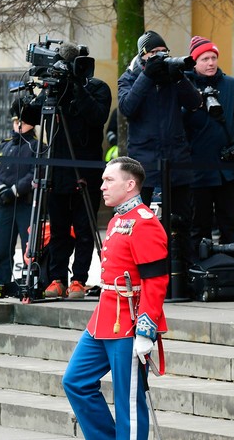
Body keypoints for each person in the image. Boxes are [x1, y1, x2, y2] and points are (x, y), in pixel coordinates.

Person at [62, 156, 169, 440]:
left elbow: (155, 281)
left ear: (130, 184)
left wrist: (146, 329)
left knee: (128, 400)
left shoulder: (145, 222)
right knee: (75, 381)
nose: (102, 186)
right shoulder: (118, 219)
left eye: (109, 180)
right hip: (105, 317)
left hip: (130, 320)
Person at [25, 43, 112, 299]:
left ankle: (79, 281)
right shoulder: (55, 89)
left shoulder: (96, 87)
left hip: (86, 168)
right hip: (56, 169)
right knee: (60, 230)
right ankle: (57, 279)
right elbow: (31, 116)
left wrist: (75, 86)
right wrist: (31, 96)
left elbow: (97, 116)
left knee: (85, 229)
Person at [118, 30, 201, 293]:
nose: (161, 57)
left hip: (176, 159)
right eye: (155, 53)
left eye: (163, 52)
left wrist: (177, 77)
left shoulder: (172, 79)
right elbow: (127, 108)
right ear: (143, 56)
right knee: (140, 222)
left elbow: (195, 102)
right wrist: (147, 75)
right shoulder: (131, 77)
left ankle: (184, 279)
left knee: (183, 221)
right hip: (143, 162)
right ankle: (139, 278)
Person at [183, 36, 234, 261]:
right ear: (194, 62)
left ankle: (231, 271)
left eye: (213, 57)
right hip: (197, 169)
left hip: (228, 169)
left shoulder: (230, 84)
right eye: (204, 58)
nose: (210, 63)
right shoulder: (184, 85)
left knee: (231, 226)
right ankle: (200, 273)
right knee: (199, 227)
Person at [0, 104, 37, 294]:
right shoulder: (4, 145)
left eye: (21, 122)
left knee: (28, 247)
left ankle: (28, 285)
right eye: (16, 121)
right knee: (0, 246)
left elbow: (34, 173)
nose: (17, 124)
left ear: (30, 125)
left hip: (24, 203)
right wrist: (1, 190)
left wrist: (14, 190)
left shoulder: (35, 146)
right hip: (4, 205)